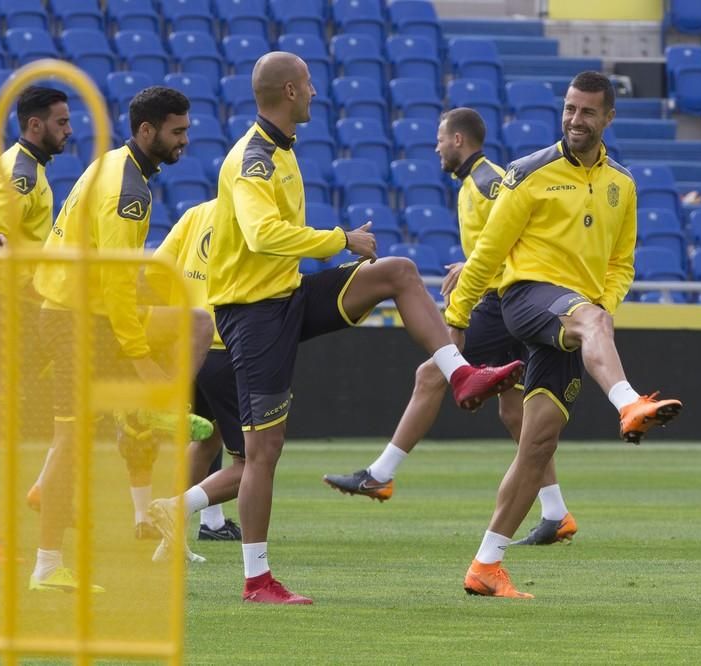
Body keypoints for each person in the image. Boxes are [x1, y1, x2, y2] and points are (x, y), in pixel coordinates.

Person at [198, 52, 524, 605]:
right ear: (288, 91)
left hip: (286, 294)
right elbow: (261, 235)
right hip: (251, 313)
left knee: (396, 272)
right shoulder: (252, 158)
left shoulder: (279, 149)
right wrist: (340, 240)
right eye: (307, 85)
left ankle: (460, 372)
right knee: (263, 452)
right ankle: (257, 580)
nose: (315, 94)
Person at [447, 72, 682, 598]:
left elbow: (622, 263)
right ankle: (627, 402)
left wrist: (604, 303)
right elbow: (487, 252)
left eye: (588, 112)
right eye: (570, 109)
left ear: (608, 118)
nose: (576, 119)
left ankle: (485, 566)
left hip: (575, 318)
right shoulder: (528, 173)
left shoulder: (623, 184)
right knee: (593, 320)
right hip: (527, 299)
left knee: (538, 444)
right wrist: (457, 320)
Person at [322, 108, 577, 545]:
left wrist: (476, 266)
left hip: (502, 302)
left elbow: (526, 224)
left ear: (458, 140)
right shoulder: (472, 183)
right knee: (515, 411)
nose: (437, 147)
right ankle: (555, 513)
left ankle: (380, 475)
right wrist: (472, 261)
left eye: (440, 139)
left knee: (431, 374)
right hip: (502, 299)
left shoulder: (487, 181)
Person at [28, 86, 215, 592]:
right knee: (71, 444)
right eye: (177, 132)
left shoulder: (115, 163)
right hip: (73, 321)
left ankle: (141, 409)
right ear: (146, 130)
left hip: (77, 313)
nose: (184, 141)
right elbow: (115, 285)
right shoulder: (128, 192)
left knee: (196, 322)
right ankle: (46, 567)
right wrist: (142, 361)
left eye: (187, 130)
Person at [0, 85, 72, 535]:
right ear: (34, 124)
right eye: (62, 122)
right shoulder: (20, 174)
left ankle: (44, 488)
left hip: (17, 306)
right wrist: (37, 289)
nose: (69, 130)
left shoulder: (29, 168)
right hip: (2, 308)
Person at [145, 199, 243, 548]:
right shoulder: (256, 214)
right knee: (252, 460)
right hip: (229, 343)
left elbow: (157, 269)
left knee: (206, 438)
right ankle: (175, 510)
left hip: (190, 340)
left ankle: (193, 524)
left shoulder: (197, 213)